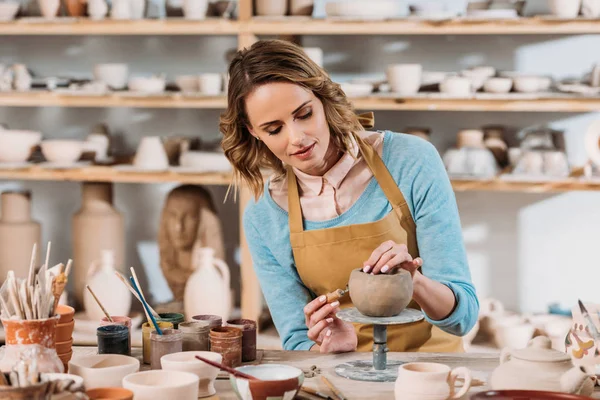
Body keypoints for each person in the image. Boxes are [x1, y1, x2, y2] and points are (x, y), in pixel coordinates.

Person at [220, 39, 479, 354]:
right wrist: (328, 348)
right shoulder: (264, 216)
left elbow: (463, 318)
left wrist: (417, 282)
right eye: (274, 129)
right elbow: (297, 340)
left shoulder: (411, 160)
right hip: (341, 376)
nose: (296, 137)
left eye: (304, 114)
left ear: (323, 98)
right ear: (253, 132)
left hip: (429, 373)